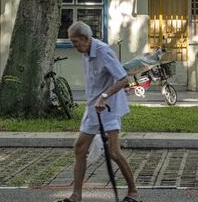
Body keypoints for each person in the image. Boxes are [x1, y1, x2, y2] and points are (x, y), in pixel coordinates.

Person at [59, 21, 141, 202]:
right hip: (93, 108)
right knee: (80, 149)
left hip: (109, 108)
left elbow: (123, 79)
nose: (73, 46)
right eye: (72, 42)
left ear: (86, 39)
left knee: (114, 152)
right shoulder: (86, 52)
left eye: (75, 42)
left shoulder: (104, 52)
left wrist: (104, 96)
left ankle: (133, 192)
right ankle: (76, 196)